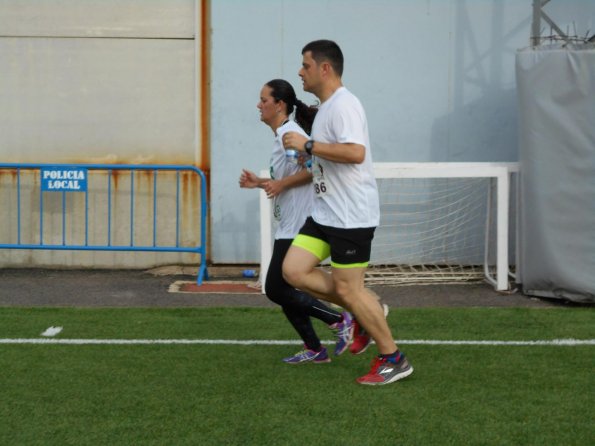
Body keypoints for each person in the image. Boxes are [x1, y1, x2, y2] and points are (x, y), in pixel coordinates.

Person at [281, 40, 413, 385]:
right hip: (325, 213)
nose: (300, 71)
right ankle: (363, 310)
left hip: (350, 216)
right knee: (293, 272)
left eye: (305, 65)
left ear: (325, 68)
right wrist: (311, 157)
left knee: (350, 288)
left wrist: (308, 144)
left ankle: (393, 358)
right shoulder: (325, 107)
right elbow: (333, 155)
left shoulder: (345, 105)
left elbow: (355, 153)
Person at [239, 78, 353, 364]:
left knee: (276, 288)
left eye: (264, 100)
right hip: (289, 223)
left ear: (279, 105)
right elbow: (289, 178)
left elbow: (316, 169)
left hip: (301, 224)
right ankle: (315, 349)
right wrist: (261, 183)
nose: (258, 105)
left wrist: (281, 184)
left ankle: (339, 320)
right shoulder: (283, 135)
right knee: (283, 290)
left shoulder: (289, 132)